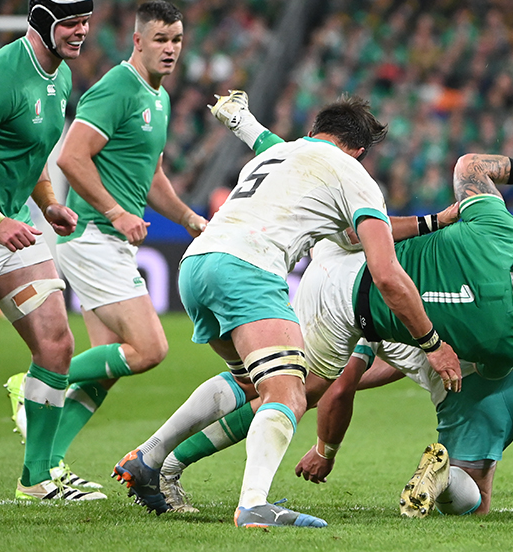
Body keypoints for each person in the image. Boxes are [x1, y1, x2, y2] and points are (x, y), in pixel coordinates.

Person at [156, 155, 513, 523]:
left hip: (361, 284)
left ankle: (165, 457)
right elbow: (490, 345)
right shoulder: (507, 339)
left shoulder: (499, 229)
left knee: (285, 389)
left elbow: (470, 165)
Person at [112, 90, 461, 528]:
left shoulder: (281, 154)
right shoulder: (352, 174)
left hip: (197, 265)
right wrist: (431, 343)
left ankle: (149, 458)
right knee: (289, 394)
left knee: (250, 383)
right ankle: (253, 504)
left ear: (316, 131)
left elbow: (346, 235)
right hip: (247, 269)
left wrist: (432, 221)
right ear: (359, 151)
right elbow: (386, 273)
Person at [4, 0, 206, 490]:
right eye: (160, 39)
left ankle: (44, 468)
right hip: (94, 236)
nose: (170, 49)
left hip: (109, 241)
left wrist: (187, 218)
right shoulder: (118, 87)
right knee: (150, 348)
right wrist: (116, 212)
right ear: (138, 41)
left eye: (177, 40)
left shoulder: (159, 98)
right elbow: (71, 157)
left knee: (108, 366)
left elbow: (152, 176)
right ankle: (31, 384)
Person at [0, 0, 104, 501]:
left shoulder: (60, 75)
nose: (81, 31)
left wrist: (47, 202)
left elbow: (33, 152)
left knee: (56, 343)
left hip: (9, 227)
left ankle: (37, 478)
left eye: (85, 21)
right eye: (70, 22)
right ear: (43, 22)